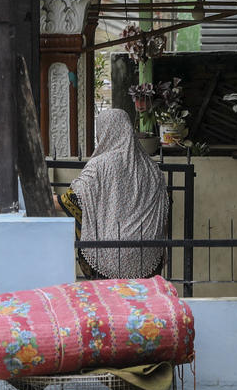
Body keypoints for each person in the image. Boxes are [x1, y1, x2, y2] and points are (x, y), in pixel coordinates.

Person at [55, 109, 168, 279]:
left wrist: (46, 199)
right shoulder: (152, 168)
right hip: (147, 253)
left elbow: (73, 201)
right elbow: (163, 212)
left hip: (107, 254)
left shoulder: (99, 166)